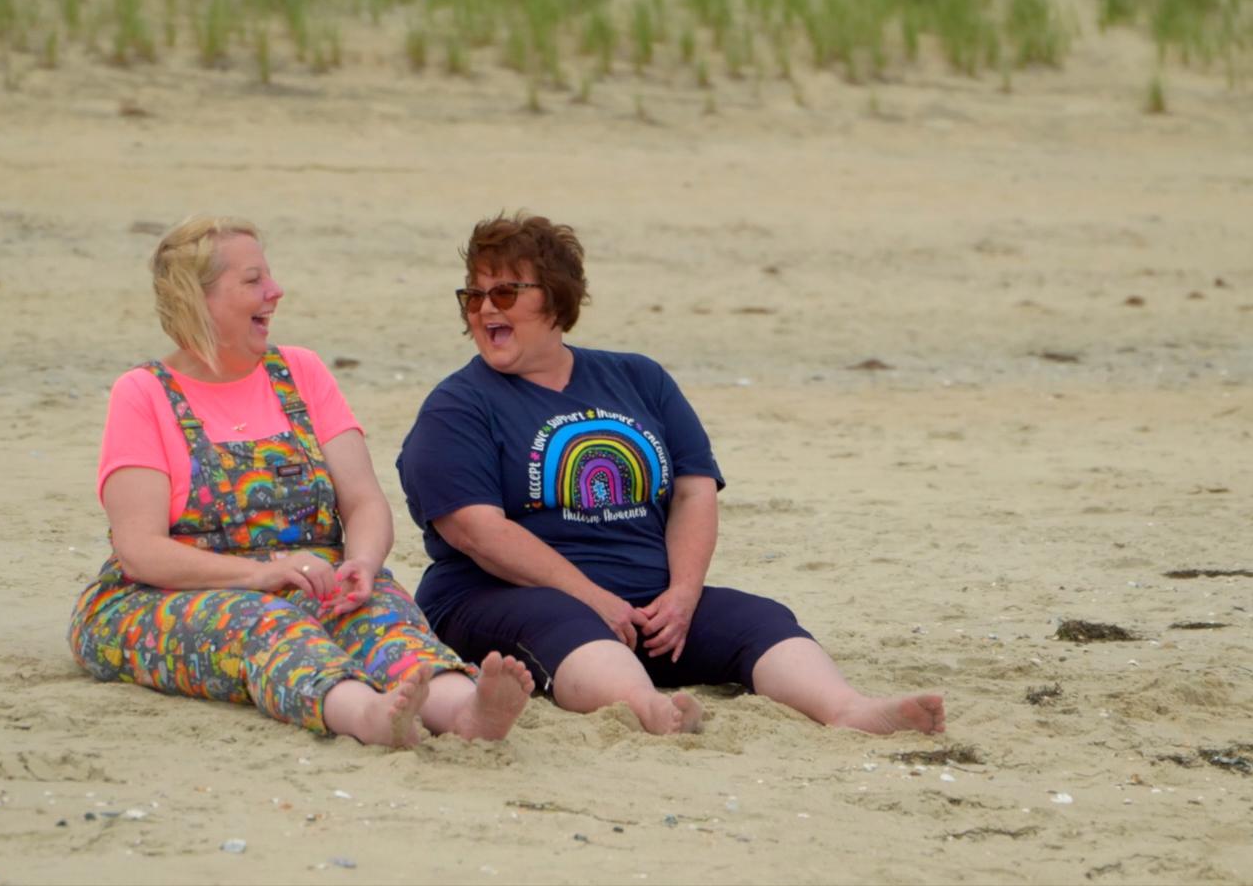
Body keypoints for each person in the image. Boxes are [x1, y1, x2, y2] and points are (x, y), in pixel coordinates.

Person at [396, 213, 946, 737]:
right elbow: (478, 531)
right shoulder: (459, 406)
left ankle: (848, 709)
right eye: (474, 296)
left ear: (557, 300)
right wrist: (592, 596)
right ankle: (647, 708)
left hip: (647, 596)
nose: (485, 309)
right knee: (564, 621)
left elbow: (692, 490)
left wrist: (682, 595)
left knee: (758, 618)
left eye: (505, 293)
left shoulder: (638, 378)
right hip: (501, 596)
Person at [69, 216, 533, 746]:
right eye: (253, 280)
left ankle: (464, 709)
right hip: (167, 596)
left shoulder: (300, 372)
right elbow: (140, 551)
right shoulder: (144, 393)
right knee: (263, 622)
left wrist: (362, 563)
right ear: (197, 298)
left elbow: (363, 501)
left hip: (308, 574)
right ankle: (364, 714)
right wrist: (259, 574)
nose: (276, 291)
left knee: (379, 612)